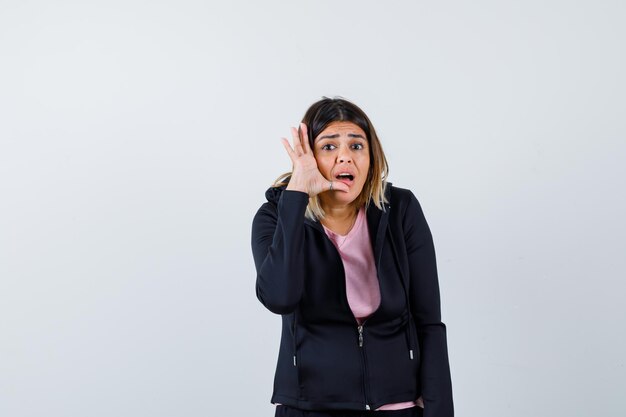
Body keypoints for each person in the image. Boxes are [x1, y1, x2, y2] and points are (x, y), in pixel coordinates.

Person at [251, 97, 453, 417]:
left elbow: (429, 323)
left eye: (356, 146)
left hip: (398, 405)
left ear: (371, 157)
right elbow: (279, 297)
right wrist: (296, 197)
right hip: (310, 407)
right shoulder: (277, 216)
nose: (345, 156)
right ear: (309, 157)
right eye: (329, 147)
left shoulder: (401, 210)